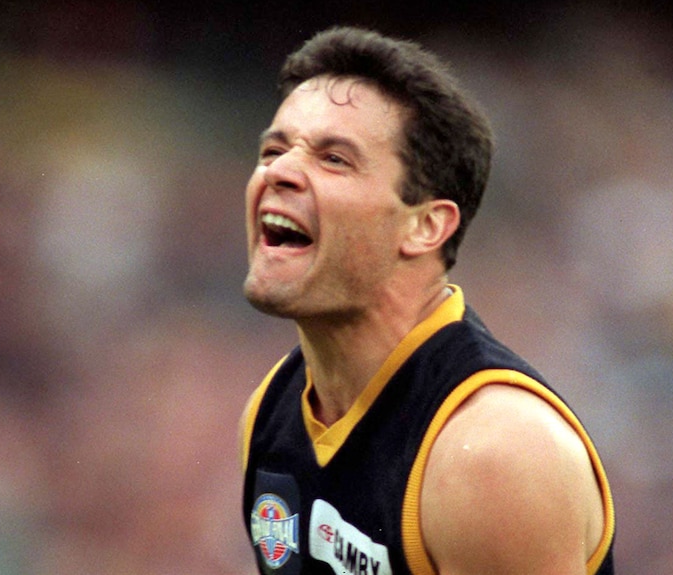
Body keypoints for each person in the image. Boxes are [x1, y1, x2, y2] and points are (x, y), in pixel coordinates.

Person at [239, 26, 615, 575]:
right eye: (274, 149)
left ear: (425, 226)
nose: (279, 171)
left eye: (334, 159)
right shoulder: (271, 412)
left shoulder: (493, 455)